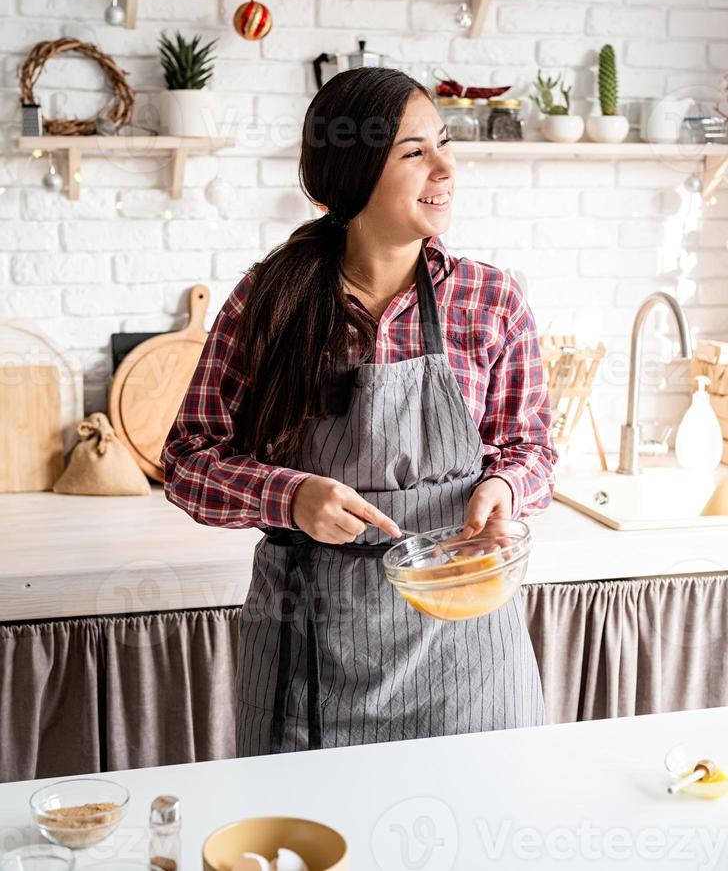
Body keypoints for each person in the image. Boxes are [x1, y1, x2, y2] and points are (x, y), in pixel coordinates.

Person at [163, 67, 557, 757]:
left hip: (465, 656)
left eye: (444, 142)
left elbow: (531, 450)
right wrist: (288, 496)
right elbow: (188, 462)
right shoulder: (267, 302)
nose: (446, 167)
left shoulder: (491, 300)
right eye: (415, 152)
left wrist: (503, 488)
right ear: (352, 176)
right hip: (310, 657)